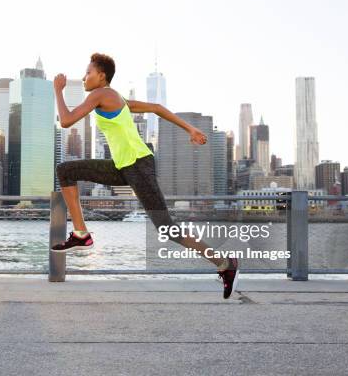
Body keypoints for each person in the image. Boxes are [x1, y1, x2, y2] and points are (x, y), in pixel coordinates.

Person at [51, 53, 239, 299]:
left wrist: (58, 90)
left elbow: (65, 121)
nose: (84, 77)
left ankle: (225, 263)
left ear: (101, 76)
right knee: (66, 171)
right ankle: (80, 233)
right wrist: (190, 128)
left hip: (137, 165)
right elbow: (157, 108)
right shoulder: (117, 99)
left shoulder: (101, 94)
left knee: (167, 228)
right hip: (124, 166)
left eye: (88, 73)